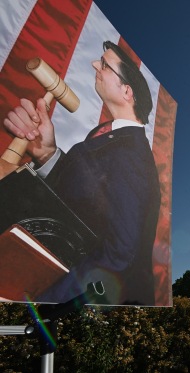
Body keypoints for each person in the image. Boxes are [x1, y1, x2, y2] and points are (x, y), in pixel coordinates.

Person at [3, 41, 161, 305]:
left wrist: (41, 301)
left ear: (126, 90)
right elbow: (82, 205)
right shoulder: (106, 137)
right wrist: (47, 153)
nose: (94, 65)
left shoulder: (132, 154)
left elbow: (120, 254)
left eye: (104, 64)